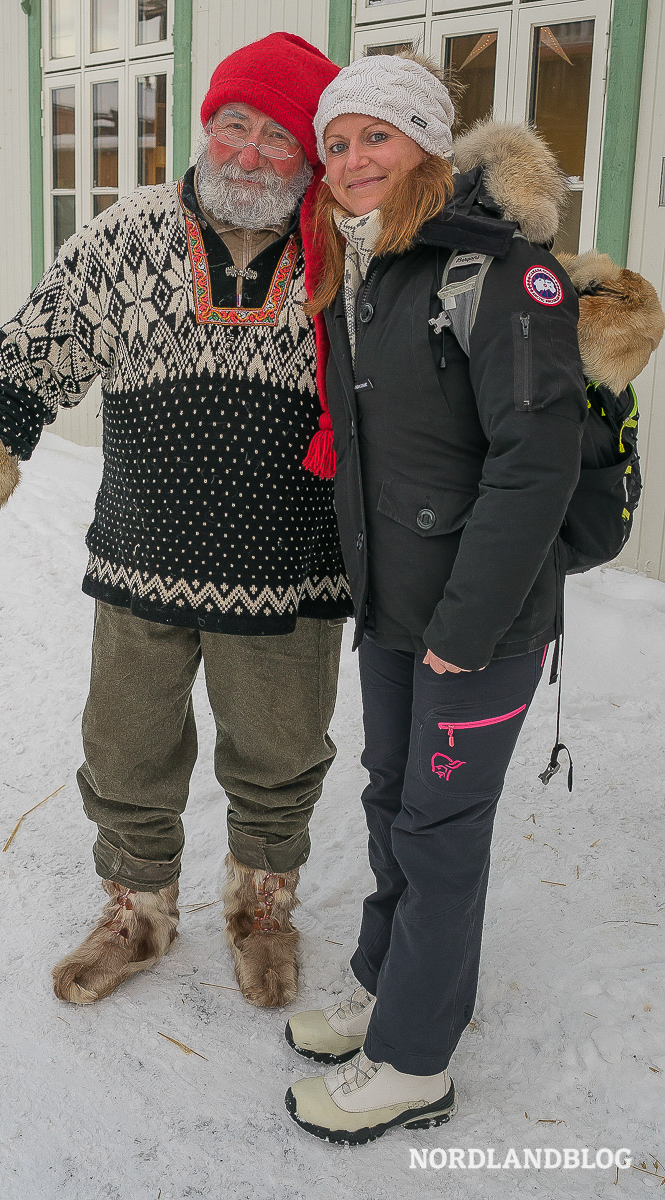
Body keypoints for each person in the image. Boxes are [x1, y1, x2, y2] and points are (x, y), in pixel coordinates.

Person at [0, 33, 353, 1012]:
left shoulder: (348, 250)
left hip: (295, 572)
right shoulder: (124, 236)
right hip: (141, 564)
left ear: (309, 155)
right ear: (205, 126)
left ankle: (261, 911)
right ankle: (136, 911)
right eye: (233, 125)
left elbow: (460, 313)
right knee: (127, 750)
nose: (249, 152)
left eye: (278, 137)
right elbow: (32, 358)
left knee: (278, 756)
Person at [281, 53, 591, 1141]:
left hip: (481, 621)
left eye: (377, 136)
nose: (352, 160)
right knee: (388, 800)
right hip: (398, 607)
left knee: (441, 829)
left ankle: (413, 1061)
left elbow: (534, 461)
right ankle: (384, 981)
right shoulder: (370, 265)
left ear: (424, 143)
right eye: (336, 142)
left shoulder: (499, 271)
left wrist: (466, 627)